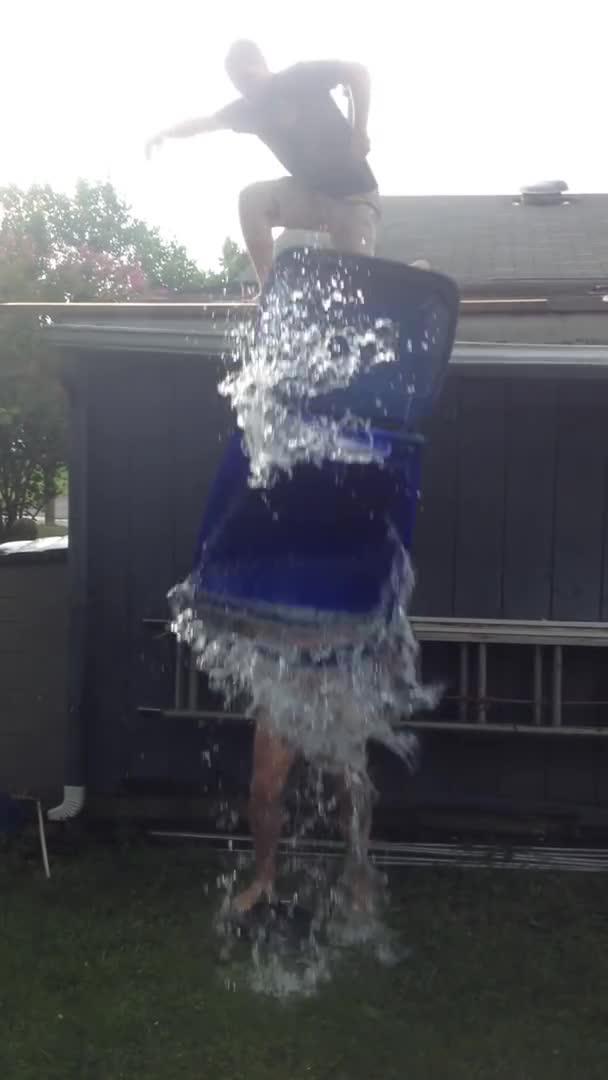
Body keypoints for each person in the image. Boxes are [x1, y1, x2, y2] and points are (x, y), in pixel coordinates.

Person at [146, 39, 381, 288]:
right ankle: (269, 289)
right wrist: (164, 133)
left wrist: (360, 130)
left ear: (263, 65)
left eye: (249, 78)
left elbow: (358, 73)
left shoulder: (299, 77)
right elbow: (204, 123)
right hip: (310, 195)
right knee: (252, 199)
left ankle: (387, 276)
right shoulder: (249, 110)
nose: (248, 90)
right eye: (239, 85)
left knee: (357, 287)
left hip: (354, 199)